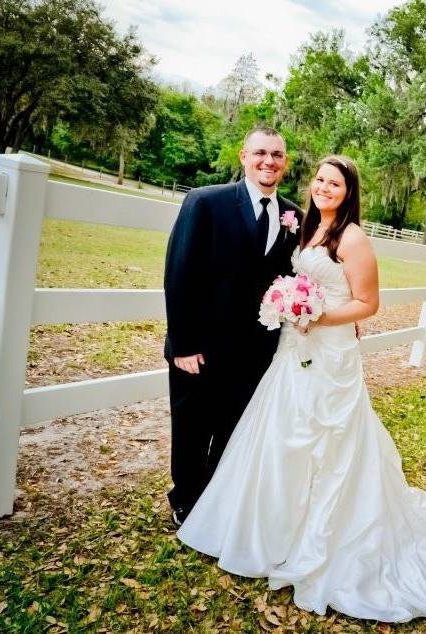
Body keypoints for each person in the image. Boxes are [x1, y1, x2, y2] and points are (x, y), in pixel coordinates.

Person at [177, 155, 426, 625]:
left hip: (330, 351)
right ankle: (268, 529)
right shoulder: (305, 227)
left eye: (335, 183)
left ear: (349, 192)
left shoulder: (352, 236)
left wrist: (316, 316)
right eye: (320, 180)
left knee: (328, 442)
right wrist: (290, 304)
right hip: (292, 345)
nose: (324, 187)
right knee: (280, 432)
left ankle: (320, 536)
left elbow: (369, 303)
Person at [163, 126, 303, 526]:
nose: (268, 161)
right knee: (192, 428)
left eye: (277, 155)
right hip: (201, 347)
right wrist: (184, 344)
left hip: (256, 352)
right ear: (244, 157)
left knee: (233, 429)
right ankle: (185, 498)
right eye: (260, 152)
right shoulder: (206, 202)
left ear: (285, 163)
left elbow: (300, 279)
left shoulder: (295, 215)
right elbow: (179, 273)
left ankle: (215, 499)